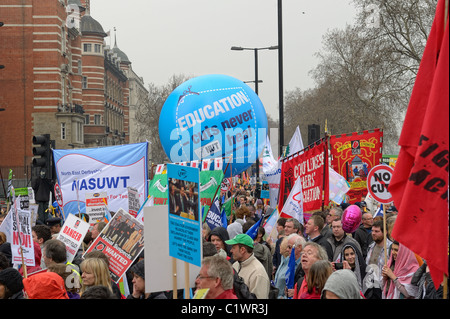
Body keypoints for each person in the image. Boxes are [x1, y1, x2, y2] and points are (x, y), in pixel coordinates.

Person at [226, 234, 270, 299]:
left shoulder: (258, 273)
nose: (231, 250)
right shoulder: (235, 265)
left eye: (233, 247)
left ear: (242, 250)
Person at [363, 219, 392, 299]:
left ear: (385, 232)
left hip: (383, 289)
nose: (373, 233)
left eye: (376, 231)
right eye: (372, 231)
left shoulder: (391, 249)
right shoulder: (371, 246)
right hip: (370, 287)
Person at [274, 234, 305, 299]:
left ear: (299, 247)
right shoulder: (286, 261)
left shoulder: (305, 265)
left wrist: (298, 291)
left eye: (290, 247)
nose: (287, 250)